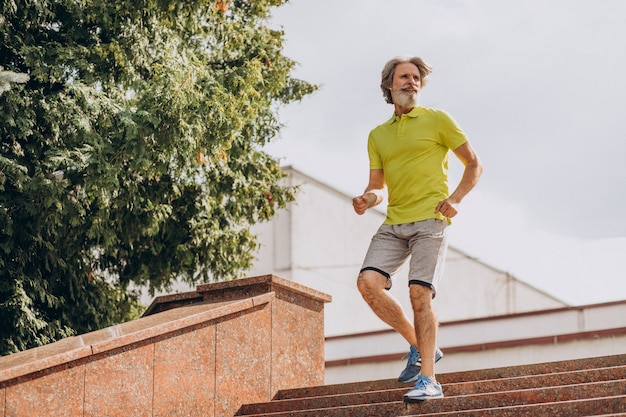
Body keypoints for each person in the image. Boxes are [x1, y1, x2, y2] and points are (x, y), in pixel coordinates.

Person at [352, 56, 483, 401]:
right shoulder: (377, 135)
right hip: (394, 222)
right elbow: (378, 186)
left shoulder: (438, 120)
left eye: (416, 77)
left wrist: (456, 198)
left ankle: (429, 380)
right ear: (389, 85)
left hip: (431, 220)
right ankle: (419, 345)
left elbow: (474, 164)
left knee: (418, 293)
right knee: (368, 283)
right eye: (404, 77)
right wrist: (368, 198)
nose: (412, 82)